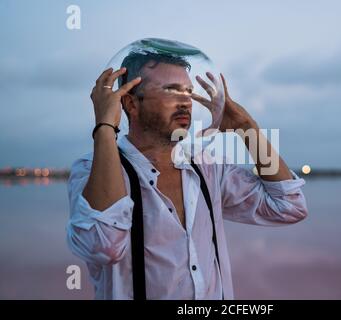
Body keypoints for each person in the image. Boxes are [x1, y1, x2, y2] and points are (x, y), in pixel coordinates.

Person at [66, 51, 308, 300]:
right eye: (171, 91)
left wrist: (246, 128)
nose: (185, 102)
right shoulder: (91, 170)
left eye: (188, 92)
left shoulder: (207, 167)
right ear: (130, 103)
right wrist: (105, 127)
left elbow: (289, 206)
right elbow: (102, 247)